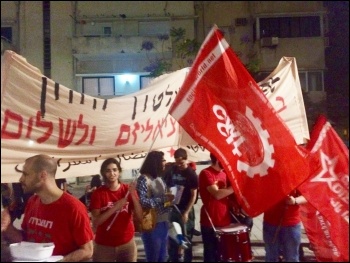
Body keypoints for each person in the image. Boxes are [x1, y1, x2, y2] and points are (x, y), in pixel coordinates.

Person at [1, 154, 94, 262]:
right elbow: (25, 240)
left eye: (25, 174)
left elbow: (87, 251)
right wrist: (6, 226)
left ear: (42, 176)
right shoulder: (32, 202)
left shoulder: (74, 207)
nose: (21, 179)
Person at [89, 158, 143, 262]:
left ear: (119, 171)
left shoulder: (128, 190)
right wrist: (115, 207)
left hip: (127, 244)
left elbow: (140, 217)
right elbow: (96, 222)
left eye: (114, 170)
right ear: (103, 173)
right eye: (108, 171)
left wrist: (133, 195)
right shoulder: (98, 194)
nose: (112, 173)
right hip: (104, 245)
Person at [136, 151, 174, 262]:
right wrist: (164, 199)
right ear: (155, 162)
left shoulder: (159, 178)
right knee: (153, 256)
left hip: (164, 221)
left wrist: (171, 200)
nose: (165, 163)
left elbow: (164, 199)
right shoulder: (143, 179)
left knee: (163, 257)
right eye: (163, 160)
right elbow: (142, 201)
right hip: (151, 223)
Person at [163, 148, 199, 262]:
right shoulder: (172, 169)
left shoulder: (191, 174)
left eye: (182, 163)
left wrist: (186, 212)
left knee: (185, 238)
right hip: (173, 207)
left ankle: (187, 259)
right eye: (177, 163)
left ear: (186, 160)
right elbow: (167, 186)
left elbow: (194, 195)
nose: (179, 166)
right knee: (173, 236)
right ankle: (173, 258)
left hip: (185, 208)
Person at [198, 152, 234, 262]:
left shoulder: (224, 174)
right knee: (210, 254)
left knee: (223, 254)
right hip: (210, 221)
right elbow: (217, 194)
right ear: (218, 160)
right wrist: (234, 188)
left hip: (224, 220)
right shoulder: (206, 173)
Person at [263, 189, 307, 262]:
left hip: (291, 224)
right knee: (271, 257)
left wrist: (295, 200)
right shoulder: (266, 178)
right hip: (270, 222)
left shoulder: (295, 178)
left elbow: (307, 196)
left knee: (292, 257)